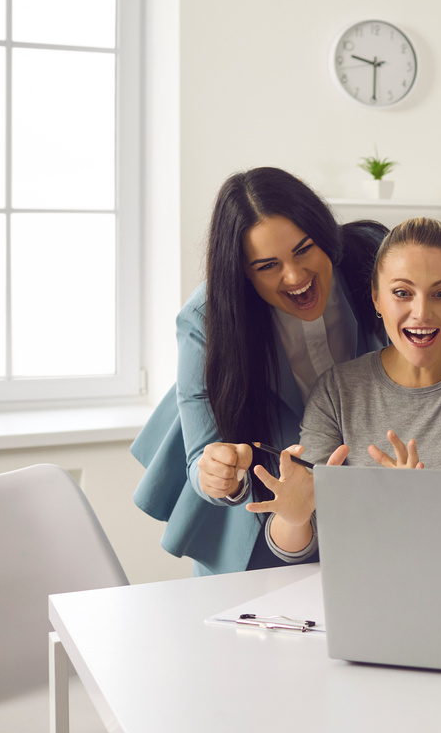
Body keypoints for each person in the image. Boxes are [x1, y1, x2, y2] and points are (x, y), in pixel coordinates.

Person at [131, 167, 388, 575]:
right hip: (264, 521)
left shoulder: (372, 257)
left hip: (375, 506)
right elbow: (202, 455)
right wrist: (220, 475)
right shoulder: (206, 320)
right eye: (268, 266)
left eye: (304, 249)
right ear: (242, 272)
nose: (295, 276)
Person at [244, 218, 441, 562]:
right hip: (363, 591)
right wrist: (294, 518)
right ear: (376, 298)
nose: (421, 312)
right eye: (402, 293)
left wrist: (422, 504)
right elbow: (295, 548)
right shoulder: (337, 391)